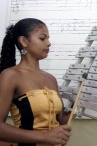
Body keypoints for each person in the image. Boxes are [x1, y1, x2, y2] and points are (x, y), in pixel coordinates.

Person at [0, 18, 72, 146]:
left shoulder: (51, 78)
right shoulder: (10, 76)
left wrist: (78, 105)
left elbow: (61, 120)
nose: (49, 43)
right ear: (23, 41)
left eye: (48, 39)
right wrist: (44, 137)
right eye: (42, 38)